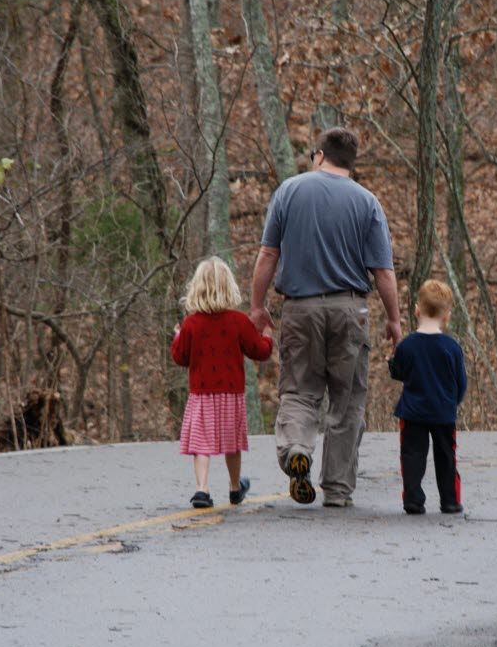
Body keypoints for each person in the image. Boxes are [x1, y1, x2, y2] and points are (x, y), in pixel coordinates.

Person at [250, 126, 402, 507]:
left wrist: (257, 306)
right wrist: (395, 321)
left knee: (300, 391)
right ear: (351, 163)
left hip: (300, 309)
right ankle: (336, 489)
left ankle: (297, 448)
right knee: (347, 400)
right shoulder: (367, 203)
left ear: (319, 155)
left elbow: (268, 255)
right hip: (351, 309)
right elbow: (383, 272)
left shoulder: (289, 191)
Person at [171, 256, 273, 509]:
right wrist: (268, 336)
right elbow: (259, 351)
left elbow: (180, 357)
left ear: (197, 288)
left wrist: (178, 337)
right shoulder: (238, 321)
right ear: (229, 287)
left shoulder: (191, 323)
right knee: (232, 443)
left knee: (201, 443)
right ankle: (235, 487)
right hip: (231, 394)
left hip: (202, 394)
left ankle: (202, 489)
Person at [388, 278, 466, 515]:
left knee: (412, 455)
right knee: (446, 456)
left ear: (417, 310)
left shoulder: (407, 346)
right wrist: (454, 402)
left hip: (413, 412)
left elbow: (399, 372)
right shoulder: (451, 347)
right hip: (443, 411)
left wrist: (392, 362)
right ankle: (450, 500)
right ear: (446, 316)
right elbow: (460, 382)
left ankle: (413, 498)